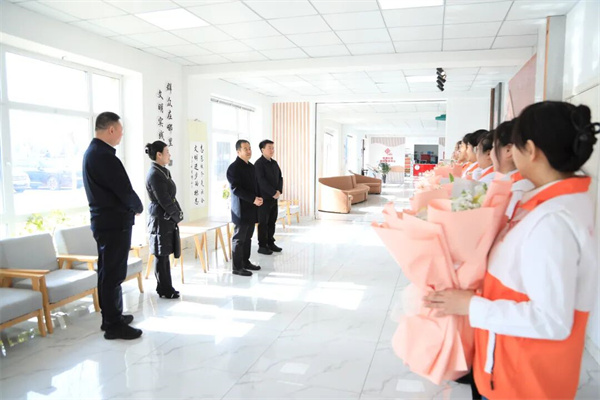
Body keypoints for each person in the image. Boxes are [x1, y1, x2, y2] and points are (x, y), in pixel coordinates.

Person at [424, 101, 599, 399]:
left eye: (514, 145)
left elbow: (552, 320)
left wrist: (470, 306)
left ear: (530, 150)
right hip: (508, 365)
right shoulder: (544, 206)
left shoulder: (553, 221)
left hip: (522, 380)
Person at [82, 112, 143, 340]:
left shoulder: (94, 153)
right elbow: (123, 190)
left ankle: (111, 316)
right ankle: (113, 324)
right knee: (113, 273)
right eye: (120, 131)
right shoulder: (103, 156)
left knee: (108, 272)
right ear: (111, 130)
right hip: (113, 223)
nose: (121, 135)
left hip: (106, 222)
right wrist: (137, 206)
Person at [145, 141, 183, 299]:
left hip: (166, 217)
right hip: (160, 219)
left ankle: (165, 287)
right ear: (159, 155)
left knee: (164, 253)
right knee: (161, 254)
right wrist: (176, 215)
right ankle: (165, 289)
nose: (169, 155)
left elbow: (171, 197)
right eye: (167, 152)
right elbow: (164, 200)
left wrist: (178, 213)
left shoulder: (162, 171)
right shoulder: (155, 174)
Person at [226, 140, 263, 277]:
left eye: (249, 148)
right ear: (238, 151)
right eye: (245, 149)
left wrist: (259, 197)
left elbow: (256, 185)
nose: (249, 151)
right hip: (240, 210)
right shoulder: (233, 168)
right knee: (239, 239)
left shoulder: (251, 167)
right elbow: (236, 189)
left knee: (248, 238)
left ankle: (245, 262)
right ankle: (237, 267)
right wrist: (253, 199)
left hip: (252, 207)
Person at [490, 119, 534, 217]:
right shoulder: (516, 184)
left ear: (508, 150)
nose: (491, 153)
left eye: (493, 146)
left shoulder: (517, 190)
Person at [254, 139, 284, 255]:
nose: (272, 150)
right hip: (263, 199)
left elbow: (280, 178)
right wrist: (272, 192)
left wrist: (279, 191)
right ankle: (262, 246)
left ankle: (270, 242)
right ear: (262, 150)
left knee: (272, 221)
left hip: (274, 198)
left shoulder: (274, 163)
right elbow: (261, 181)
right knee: (263, 223)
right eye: (269, 148)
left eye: (273, 148)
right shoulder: (258, 164)